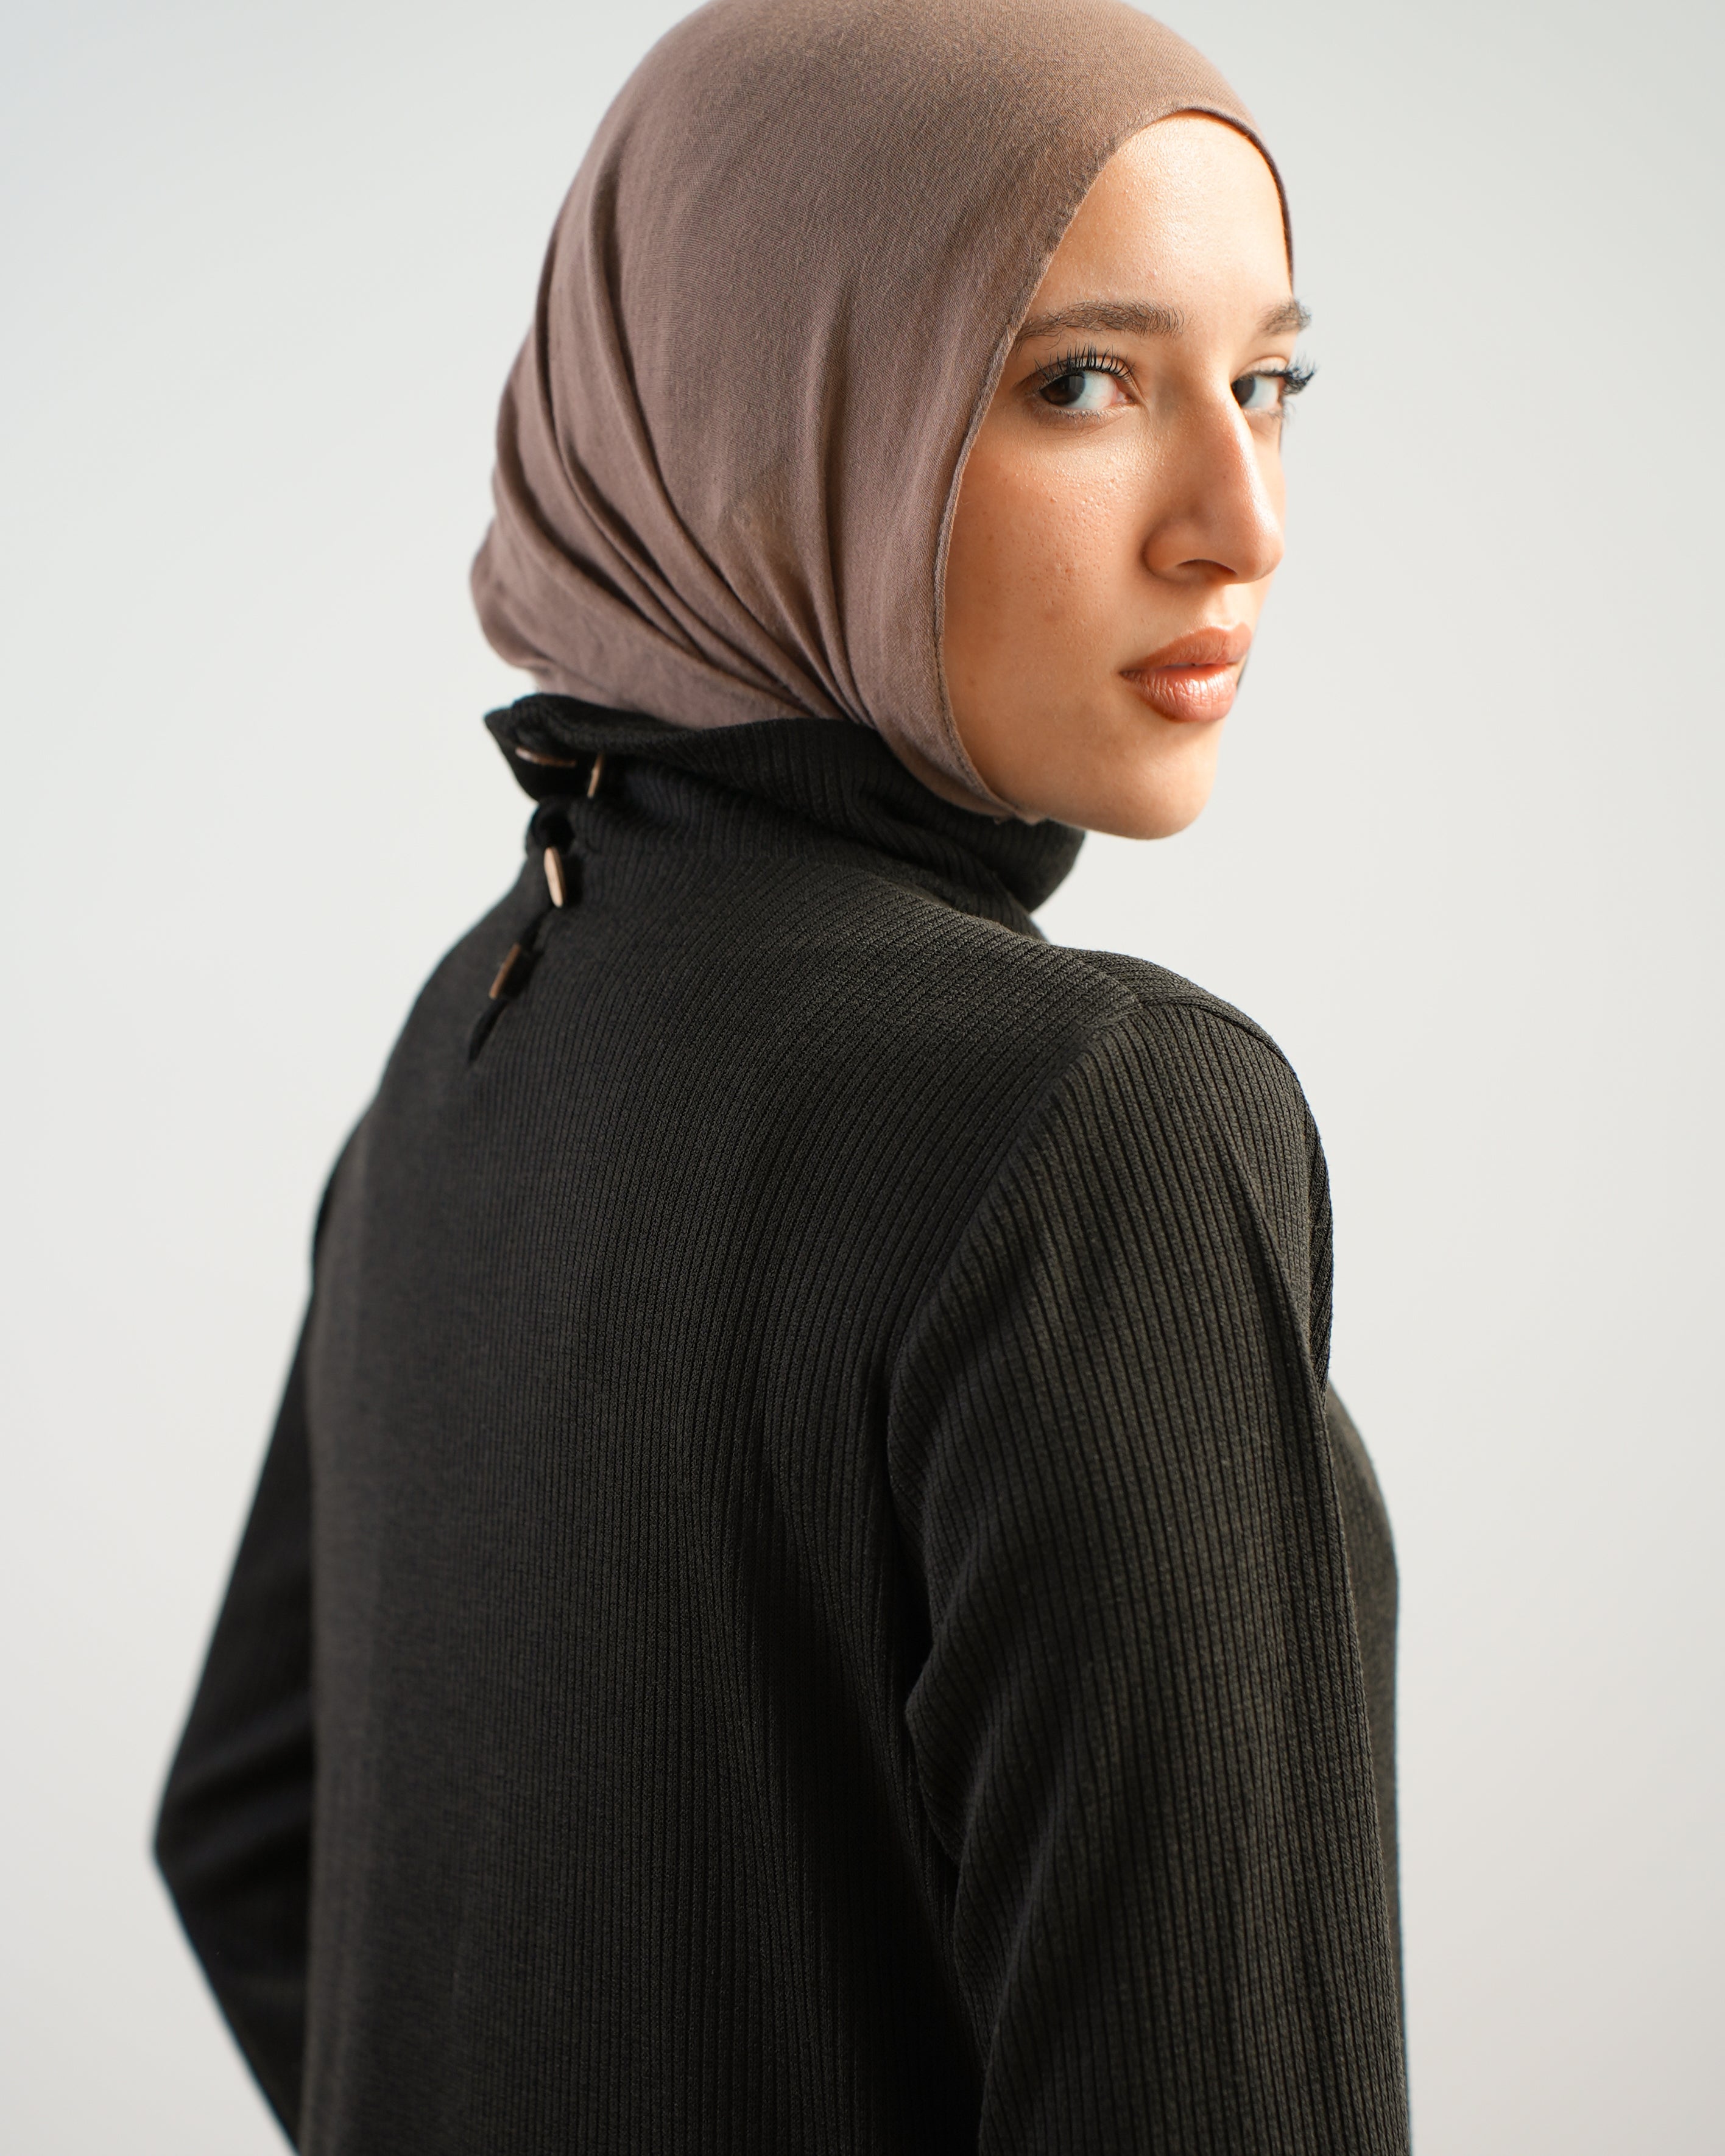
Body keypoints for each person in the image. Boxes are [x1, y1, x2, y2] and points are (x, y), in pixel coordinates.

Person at [155, 0, 1407, 2147]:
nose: (1243, 518)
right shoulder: (1091, 1123)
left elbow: (250, 1834)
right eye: (1081, 381)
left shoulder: (471, 1043)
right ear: (766, 410)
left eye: (1268, 381)